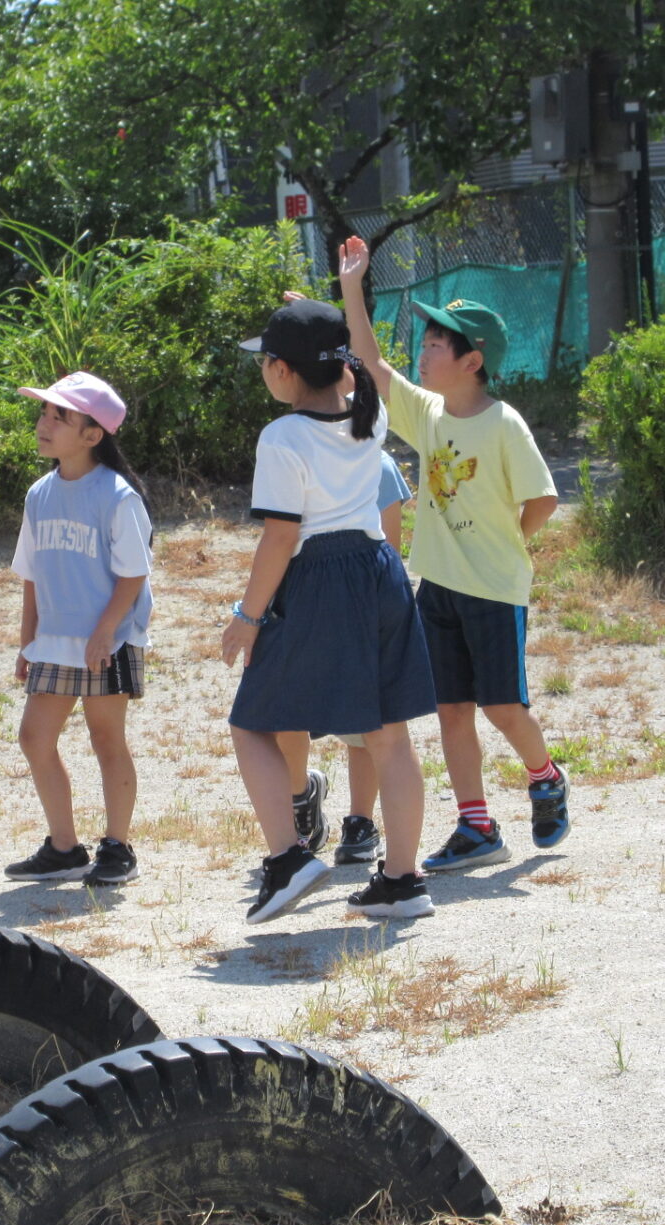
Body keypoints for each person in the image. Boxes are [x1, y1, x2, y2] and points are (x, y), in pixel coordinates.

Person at [333, 235, 567, 872]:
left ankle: (545, 775)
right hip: (437, 586)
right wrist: (353, 286)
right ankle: (477, 826)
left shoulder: (503, 423)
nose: (425, 350)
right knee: (451, 709)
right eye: (428, 339)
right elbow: (372, 368)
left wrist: (506, 543)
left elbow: (542, 499)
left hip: (493, 587)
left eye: (438, 343)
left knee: (502, 707)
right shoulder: (428, 412)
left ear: (473, 360)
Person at [223, 298, 436, 923]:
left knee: (252, 724)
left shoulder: (282, 436)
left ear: (284, 371)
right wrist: (332, 311)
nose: (263, 369)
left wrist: (249, 615)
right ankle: (401, 880)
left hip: (320, 580)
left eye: (265, 360)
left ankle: (288, 859)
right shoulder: (369, 414)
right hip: (380, 572)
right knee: (390, 737)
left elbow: (281, 538)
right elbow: (359, 366)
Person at [5, 373, 152, 888]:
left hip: (105, 640)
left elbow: (134, 573)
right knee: (33, 738)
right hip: (55, 639)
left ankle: (118, 847)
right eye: (45, 413)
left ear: (94, 436)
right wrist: (29, 642)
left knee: (106, 738)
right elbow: (31, 575)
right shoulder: (39, 495)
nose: (45, 423)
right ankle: (64, 848)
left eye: (59, 416)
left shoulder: (116, 496)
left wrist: (105, 631)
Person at [280, 448, 414, 867]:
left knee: (366, 724)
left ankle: (360, 822)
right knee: (286, 713)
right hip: (303, 602)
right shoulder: (294, 454)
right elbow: (279, 537)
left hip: (361, 607)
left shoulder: (379, 464)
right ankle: (302, 795)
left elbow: (389, 546)